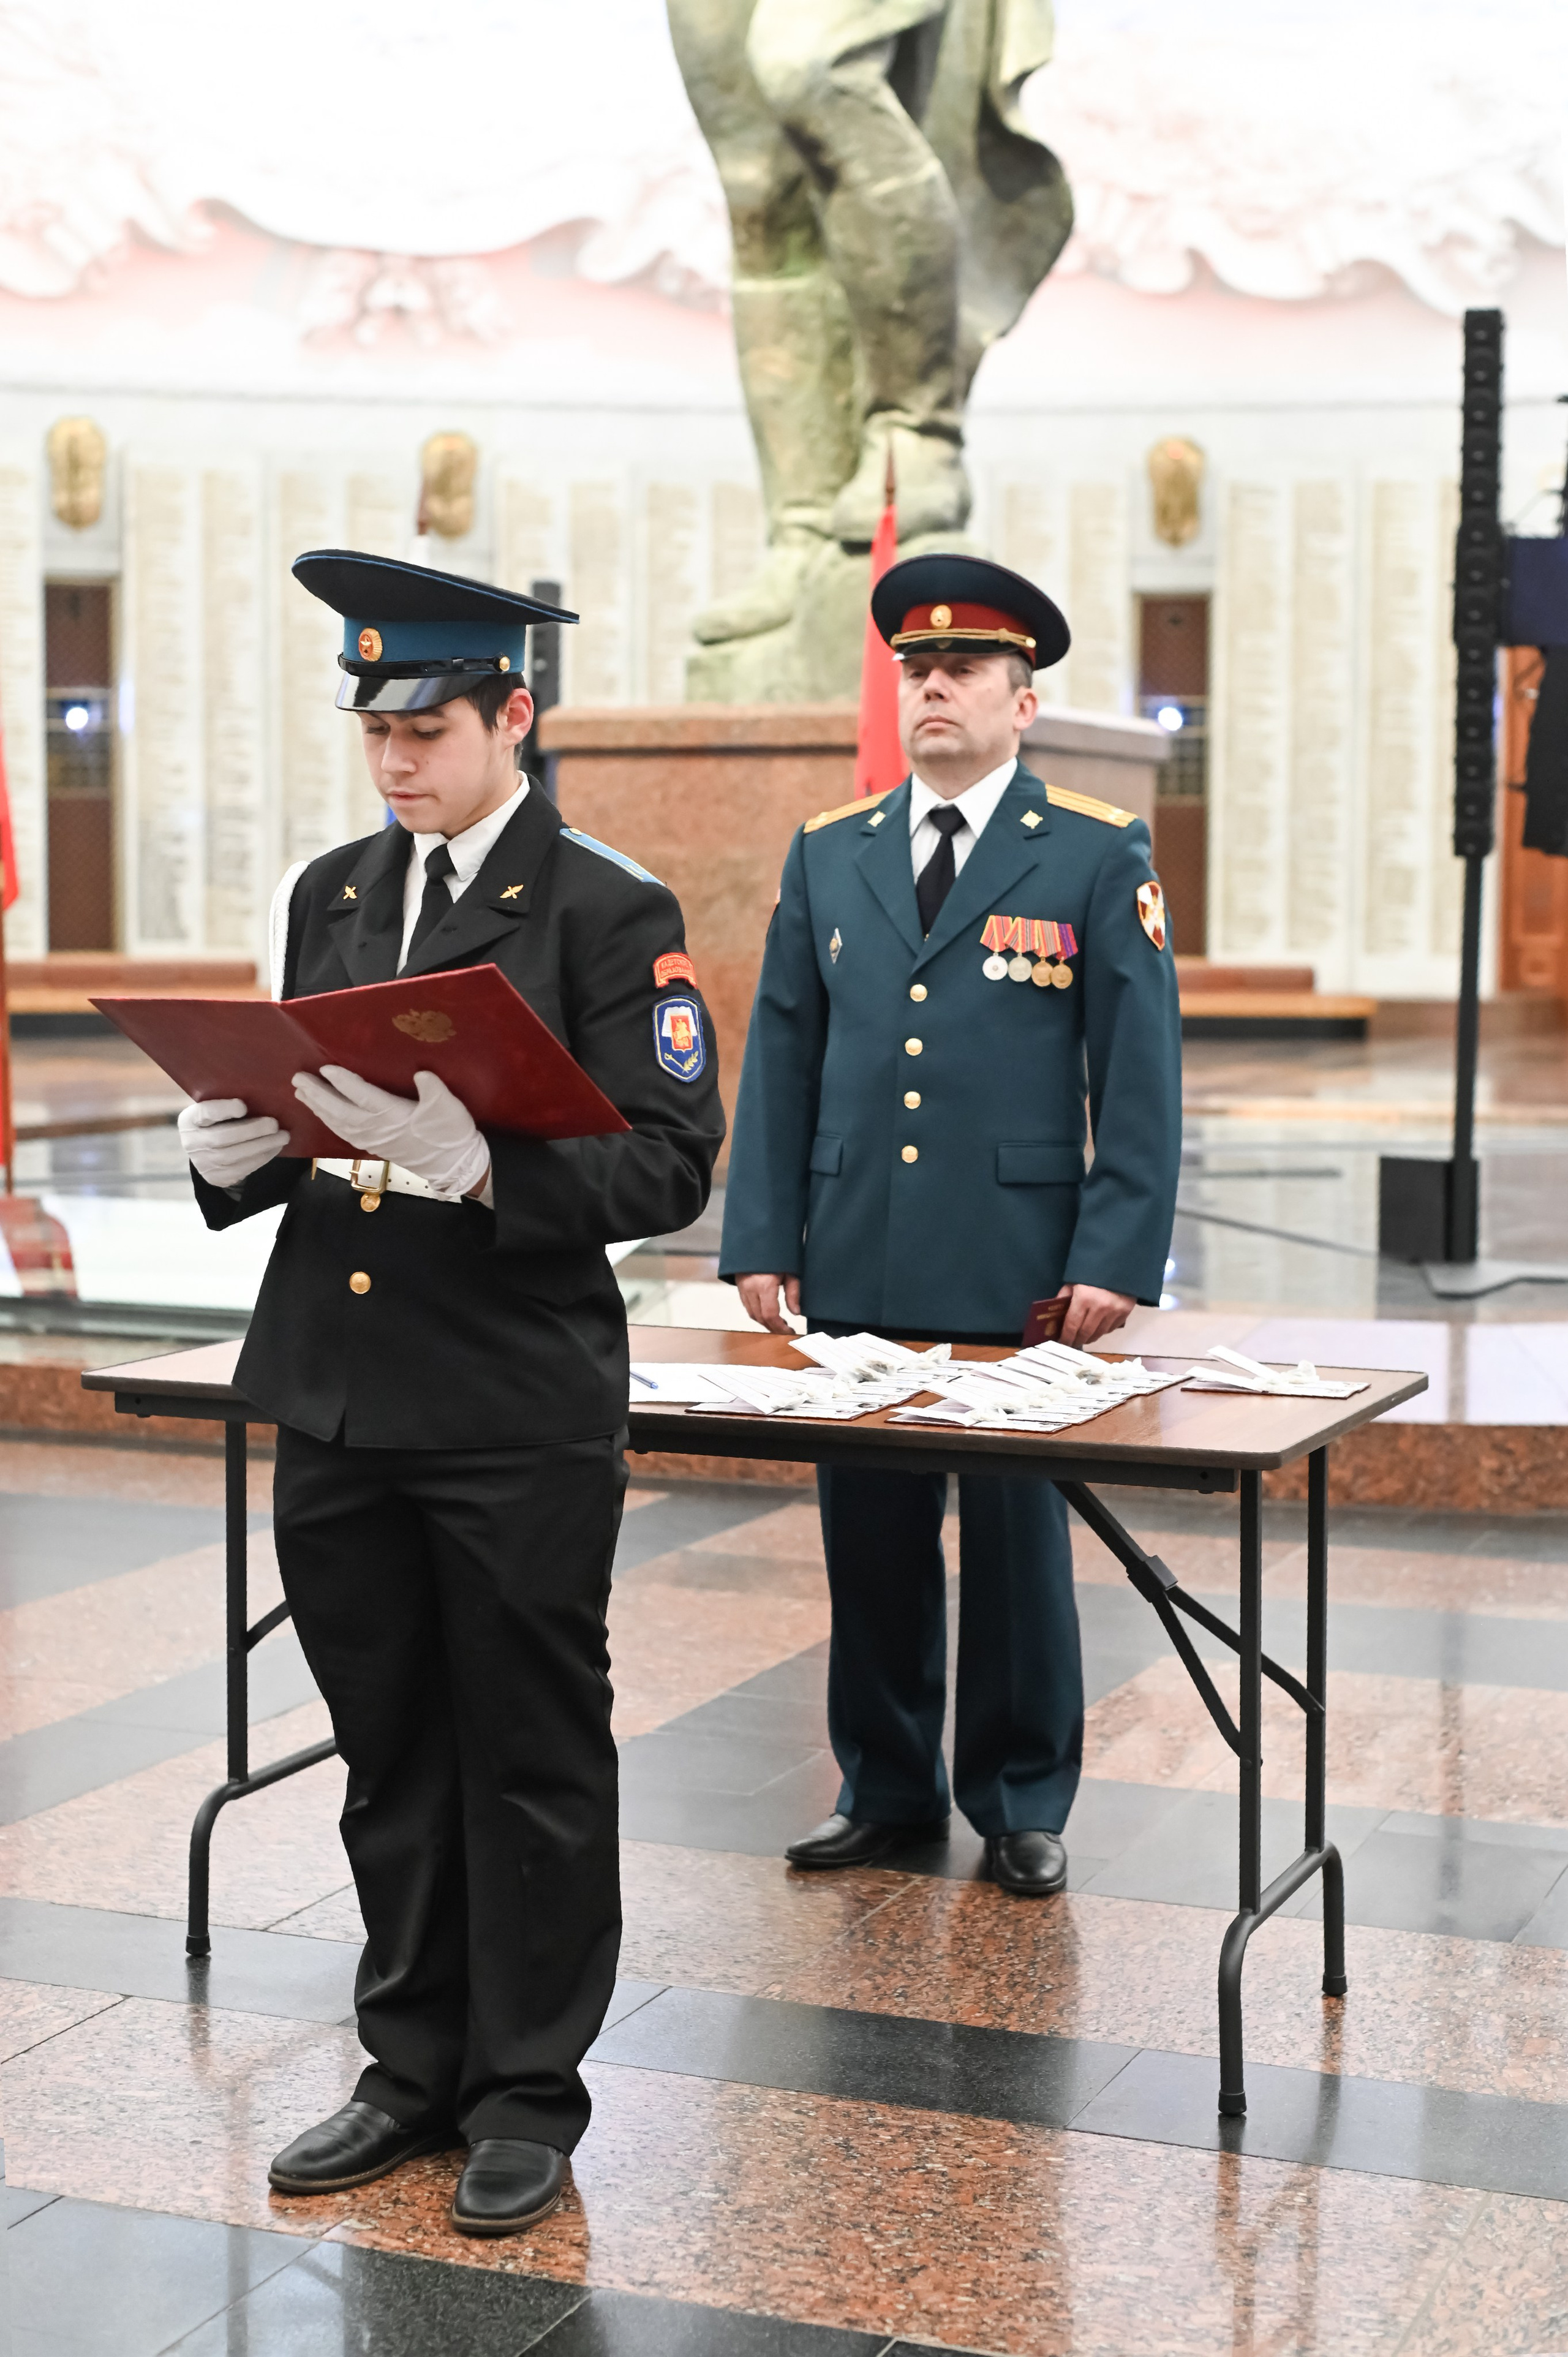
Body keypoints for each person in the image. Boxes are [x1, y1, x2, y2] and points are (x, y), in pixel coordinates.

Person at [178, 551, 724, 2234]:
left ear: (514, 717)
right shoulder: (336, 889)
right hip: (339, 1390)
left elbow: (673, 1164)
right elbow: (304, 1104)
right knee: (392, 1750)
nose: (398, 757)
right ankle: (408, 2064)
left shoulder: (606, 909)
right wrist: (231, 1154)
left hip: (510, 1406)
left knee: (531, 1755)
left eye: (427, 724)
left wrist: (489, 1166)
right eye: (377, 727)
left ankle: (525, 2095)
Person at [718, 552, 1180, 1896]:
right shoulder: (831, 850)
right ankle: (886, 1784)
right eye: (914, 667)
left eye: (963, 668)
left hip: (1014, 1265)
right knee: (866, 1535)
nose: (931, 686)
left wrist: (1110, 1254)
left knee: (1014, 1550)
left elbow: (1135, 1071)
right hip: (857, 1245)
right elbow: (784, 1052)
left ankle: (1021, 1794)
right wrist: (761, 1234)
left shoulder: (1091, 850)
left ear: (1019, 700)